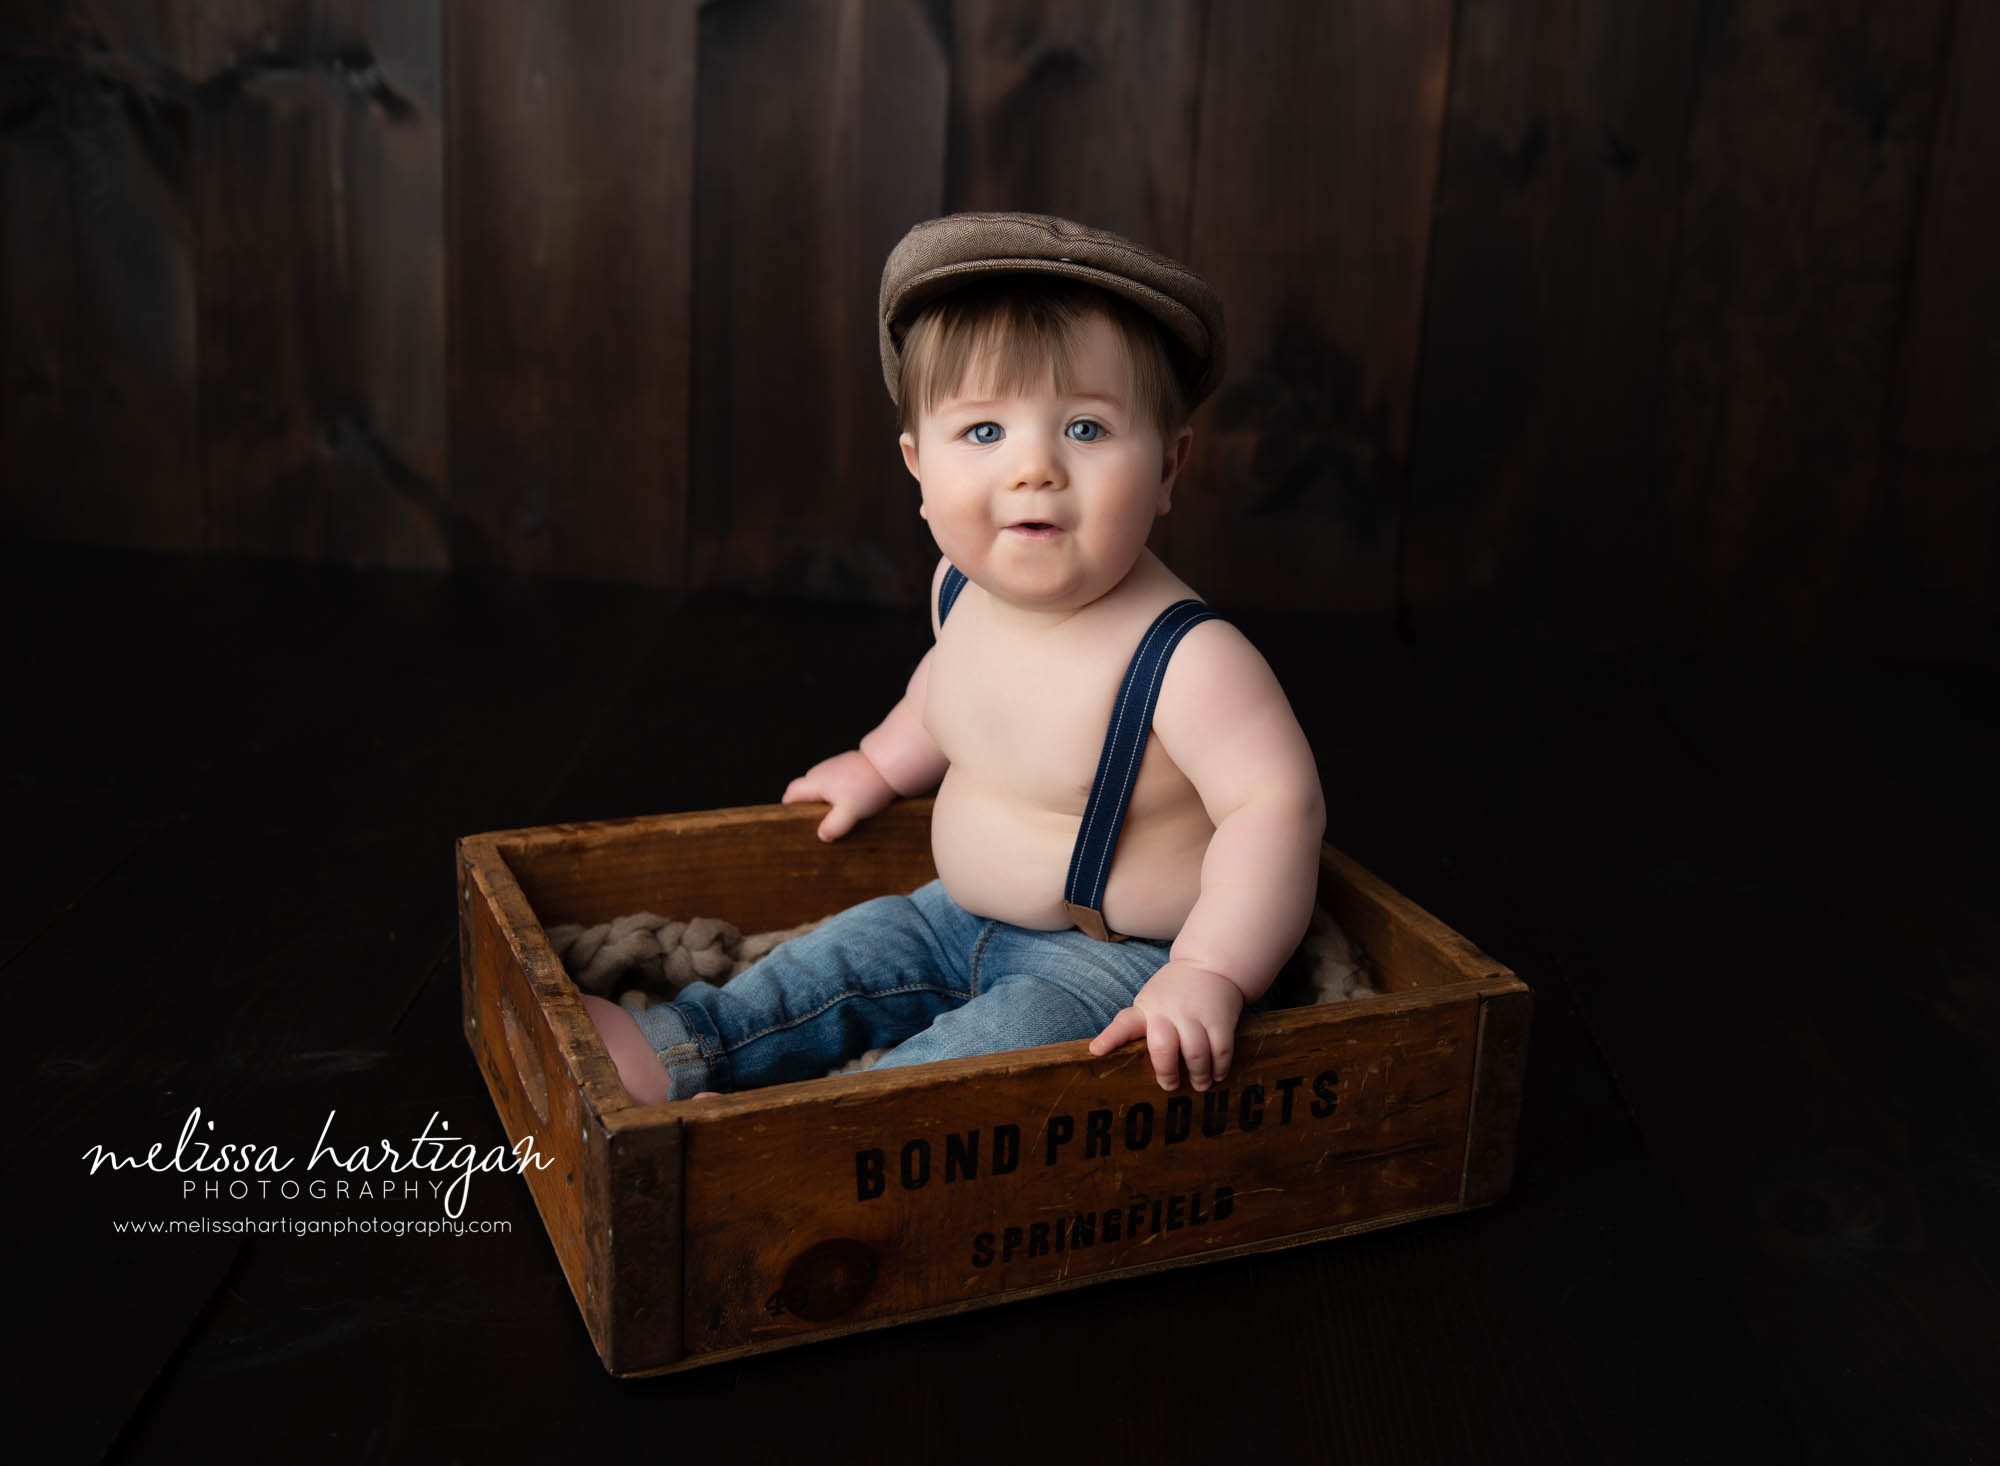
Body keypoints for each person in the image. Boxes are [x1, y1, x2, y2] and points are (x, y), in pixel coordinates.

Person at [584, 212, 1326, 1104]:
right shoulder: (959, 588)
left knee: (976, 1061)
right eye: (983, 434)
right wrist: (881, 760)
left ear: (1169, 467)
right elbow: (947, 687)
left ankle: (818, 1130)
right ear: (918, 466)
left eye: (1085, 430)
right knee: (838, 960)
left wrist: (1211, 969)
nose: (1034, 469)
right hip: (951, 914)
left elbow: (1276, 810)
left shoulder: (1189, 658)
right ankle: (675, 1050)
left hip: (1109, 963)